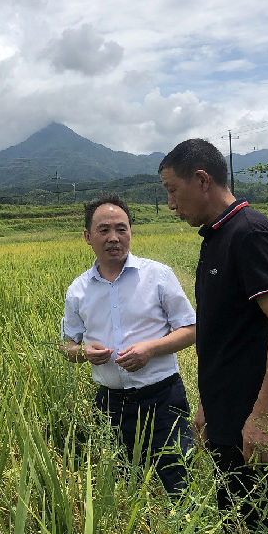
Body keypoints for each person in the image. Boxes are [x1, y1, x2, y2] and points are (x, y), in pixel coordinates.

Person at [158, 139, 268, 534]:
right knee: (238, 529)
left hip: (253, 418)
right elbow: (224, 334)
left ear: (202, 180)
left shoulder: (249, 233)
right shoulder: (217, 236)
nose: (170, 203)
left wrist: (262, 417)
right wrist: (208, 405)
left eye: (172, 190)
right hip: (231, 416)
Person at [62, 194, 196, 496]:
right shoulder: (78, 290)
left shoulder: (158, 276)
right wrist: (82, 353)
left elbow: (191, 329)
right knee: (123, 487)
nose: (114, 238)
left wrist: (151, 349)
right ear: (87, 237)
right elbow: (67, 345)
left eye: (121, 229)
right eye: (104, 230)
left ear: (131, 232)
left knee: (176, 484)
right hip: (110, 405)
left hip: (162, 398)